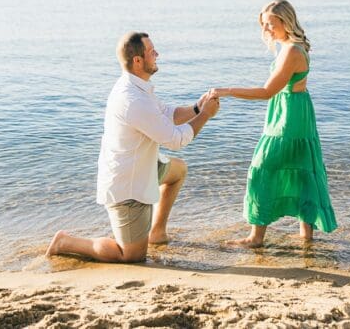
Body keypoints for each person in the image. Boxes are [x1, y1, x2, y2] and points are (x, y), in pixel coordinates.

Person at [46, 32, 220, 263]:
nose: (157, 54)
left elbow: (168, 114)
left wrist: (198, 107)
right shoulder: (133, 100)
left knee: (178, 171)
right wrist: (206, 116)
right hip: (127, 185)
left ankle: (156, 233)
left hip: (143, 167)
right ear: (138, 60)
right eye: (152, 51)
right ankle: (65, 242)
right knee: (130, 255)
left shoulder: (138, 88)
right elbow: (176, 140)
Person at [210, 0, 337, 248]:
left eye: (270, 24)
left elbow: (268, 91)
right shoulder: (292, 46)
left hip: (288, 116)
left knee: (261, 170)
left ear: (285, 21)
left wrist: (226, 91)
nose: (266, 29)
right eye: (264, 25)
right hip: (295, 110)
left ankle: (255, 237)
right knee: (301, 170)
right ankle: (305, 234)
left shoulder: (291, 51)